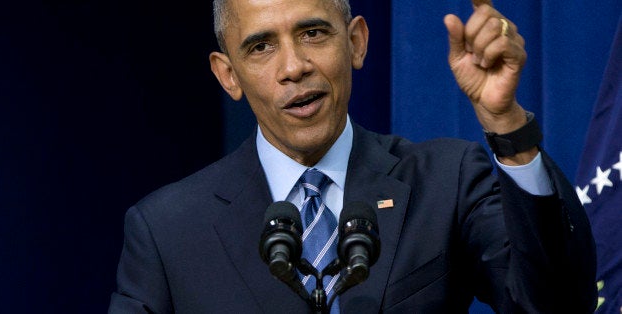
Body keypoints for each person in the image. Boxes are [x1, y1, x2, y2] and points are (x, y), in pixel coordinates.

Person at [108, 0, 597, 312]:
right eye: (261, 47)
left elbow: (552, 305)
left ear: (356, 42)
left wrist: (507, 125)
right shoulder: (168, 230)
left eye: (313, 33)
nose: (294, 67)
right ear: (228, 74)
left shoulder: (444, 180)